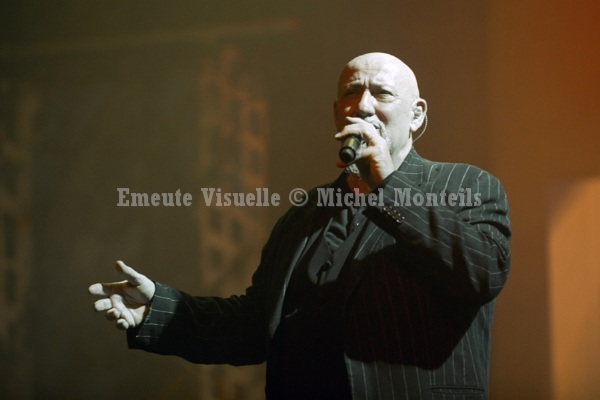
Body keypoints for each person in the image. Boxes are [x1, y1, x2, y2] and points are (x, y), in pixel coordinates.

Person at [89, 52, 511, 400]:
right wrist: (158, 308)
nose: (364, 106)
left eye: (382, 93)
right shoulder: (305, 214)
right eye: (351, 93)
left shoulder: (464, 186)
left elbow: (482, 272)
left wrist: (386, 185)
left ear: (416, 116)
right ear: (336, 112)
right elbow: (255, 327)